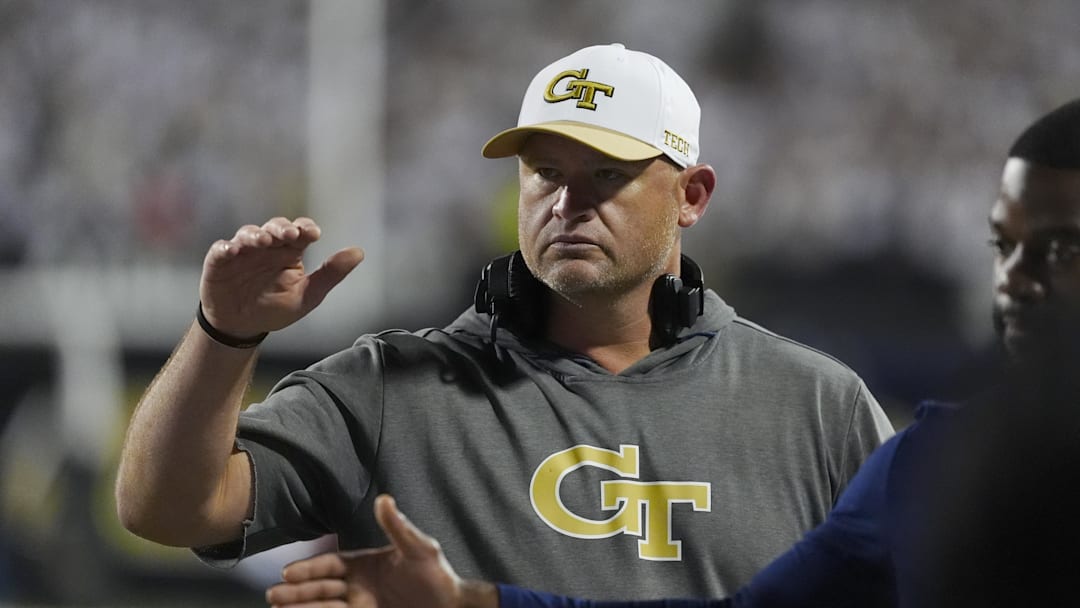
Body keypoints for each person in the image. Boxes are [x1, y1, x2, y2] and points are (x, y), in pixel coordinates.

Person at [115, 43, 893, 601]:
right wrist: (224, 334)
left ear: (692, 195)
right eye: (545, 172)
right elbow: (166, 509)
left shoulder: (817, 406)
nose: (566, 203)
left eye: (607, 176)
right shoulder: (393, 386)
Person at [262, 98, 1080, 608]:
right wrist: (475, 604)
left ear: (691, 198)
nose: (1016, 282)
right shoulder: (935, 462)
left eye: (1062, 250)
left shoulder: (825, 405)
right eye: (1002, 247)